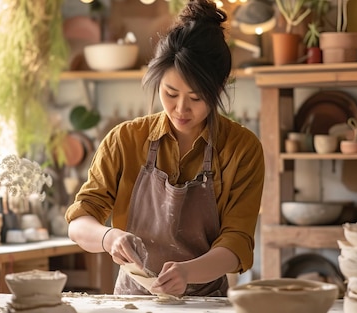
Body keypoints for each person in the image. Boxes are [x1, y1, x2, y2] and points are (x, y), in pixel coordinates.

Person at [65, 0, 264, 297]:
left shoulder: (241, 148)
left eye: (196, 98)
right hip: (133, 299)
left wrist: (188, 272)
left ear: (219, 89)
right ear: (157, 79)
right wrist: (109, 237)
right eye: (170, 93)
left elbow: (237, 242)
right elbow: (79, 222)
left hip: (205, 301)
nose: (181, 109)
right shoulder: (125, 140)